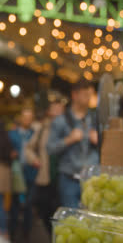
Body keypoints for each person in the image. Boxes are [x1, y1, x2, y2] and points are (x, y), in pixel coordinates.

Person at [47, 80, 99, 208]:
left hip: (92, 179)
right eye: (85, 94)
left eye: (90, 94)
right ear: (74, 95)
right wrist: (69, 139)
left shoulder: (95, 119)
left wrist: (99, 141)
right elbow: (50, 149)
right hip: (69, 179)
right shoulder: (60, 121)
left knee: (92, 217)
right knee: (72, 221)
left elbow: (110, 148)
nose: (88, 98)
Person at [25, 97, 65, 234]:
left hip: (64, 178)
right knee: (46, 212)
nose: (57, 111)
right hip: (46, 177)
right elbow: (28, 148)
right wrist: (34, 159)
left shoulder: (69, 128)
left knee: (63, 214)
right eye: (55, 109)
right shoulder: (43, 129)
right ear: (49, 111)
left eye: (60, 109)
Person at [8, 108, 37, 240]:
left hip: (31, 172)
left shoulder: (35, 134)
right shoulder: (12, 134)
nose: (27, 120)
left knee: (29, 204)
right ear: (21, 118)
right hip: (16, 173)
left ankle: (27, 232)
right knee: (15, 203)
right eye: (25, 117)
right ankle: (12, 231)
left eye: (30, 117)